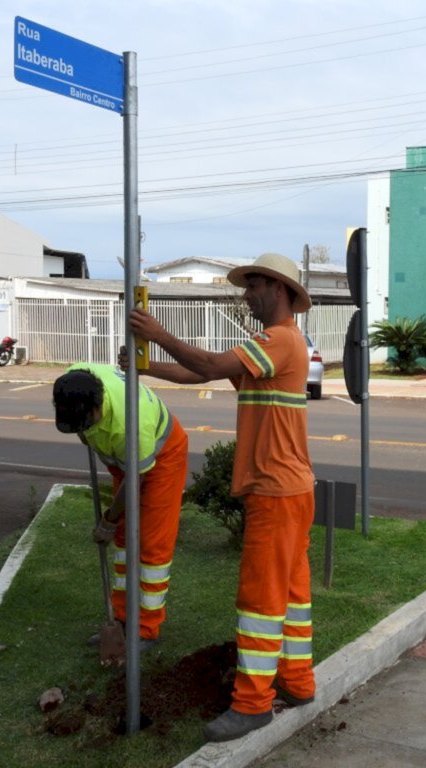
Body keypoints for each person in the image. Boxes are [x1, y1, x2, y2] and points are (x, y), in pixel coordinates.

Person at [129, 252, 316, 742]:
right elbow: (203, 374)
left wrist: (156, 333)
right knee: (292, 597)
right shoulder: (274, 345)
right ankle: (297, 682)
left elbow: (210, 364)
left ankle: (252, 703)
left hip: (276, 493)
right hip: (289, 491)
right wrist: (148, 367)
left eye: (253, 286)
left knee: (260, 599)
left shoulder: (280, 339)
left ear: (277, 289)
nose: (246, 295)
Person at [52, 361, 189, 653]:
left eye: (84, 424)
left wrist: (109, 520)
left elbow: (135, 480)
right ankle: (123, 619)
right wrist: (116, 524)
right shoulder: (77, 378)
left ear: (97, 407)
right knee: (124, 541)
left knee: (152, 545)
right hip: (124, 461)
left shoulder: (131, 424)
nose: (82, 431)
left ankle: (147, 629)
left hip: (163, 458)